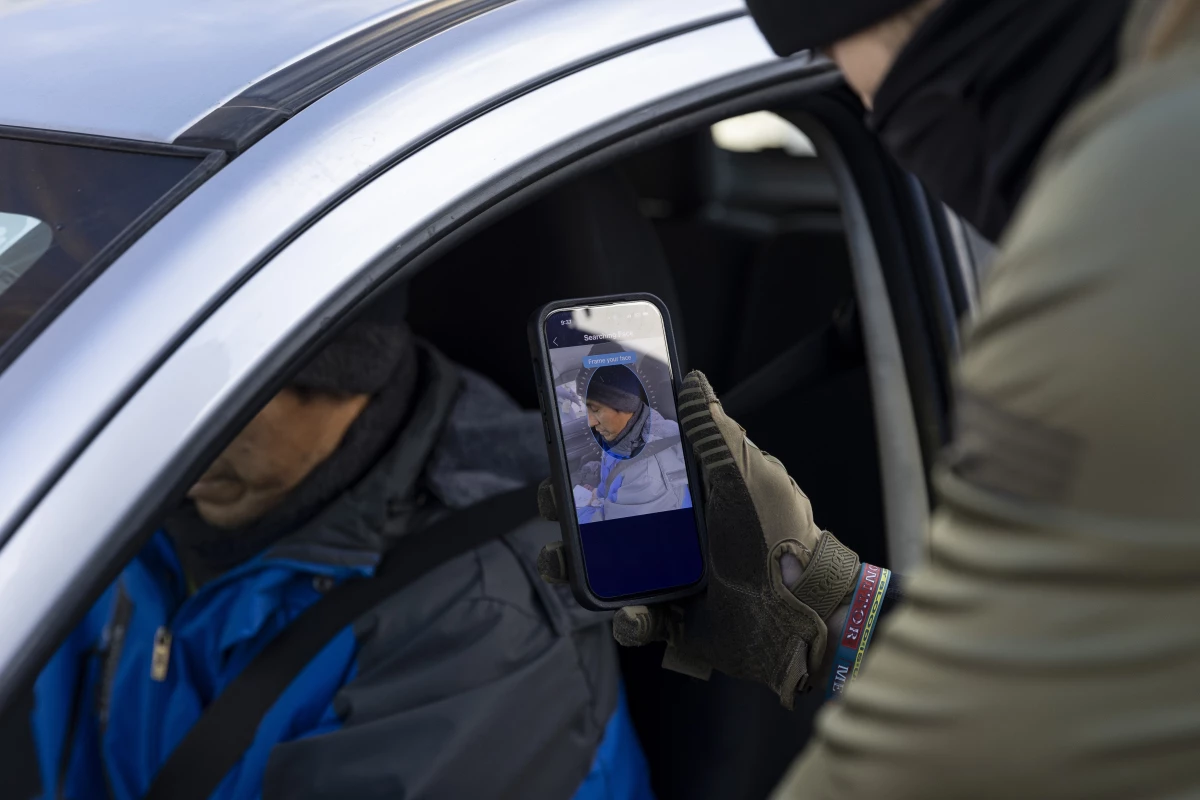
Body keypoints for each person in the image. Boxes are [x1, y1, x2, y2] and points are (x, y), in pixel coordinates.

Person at [542, 0, 1200, 797]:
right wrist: (819, 605)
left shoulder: (1137, 234)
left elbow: (939, 768)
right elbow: (1113, 665)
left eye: (834, 57)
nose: (865, 109)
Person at [30, 296, 653, 799]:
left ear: (343, 381)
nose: (168, 445)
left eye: (208, 405)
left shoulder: (482, 616)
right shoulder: (129, 500)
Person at [575, 365, 690, 524]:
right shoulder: (622, 433)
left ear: (625, 404)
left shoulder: (648, 474)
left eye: (595, 409)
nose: (590, 422)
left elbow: (613, 531)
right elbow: (612, 472)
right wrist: (598, 492)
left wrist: (576, 513)